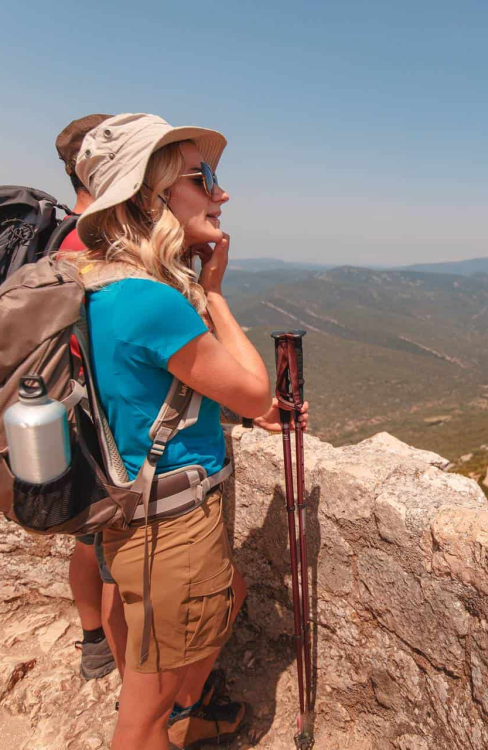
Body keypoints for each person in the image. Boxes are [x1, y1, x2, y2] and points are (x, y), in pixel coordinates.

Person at [70, 112, 309, 750]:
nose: (221, 193)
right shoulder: (150, 300)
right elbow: (254, 387)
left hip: (132, 511)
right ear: (151, 195)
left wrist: (240, 409)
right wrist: (216, 293)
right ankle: (171, 721)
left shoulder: (98, 281)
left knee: (227, 595)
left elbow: (143, 389)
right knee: (140, 721)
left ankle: (183, 712)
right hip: (170, 527)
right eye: (202, 180)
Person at [55, 113, 128, 680]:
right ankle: (139, 695)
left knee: (88, 542)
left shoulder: (59, 234)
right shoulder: (94, 242)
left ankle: (93, 643)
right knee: (115, 566)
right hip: (101, 426)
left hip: (65, 412)